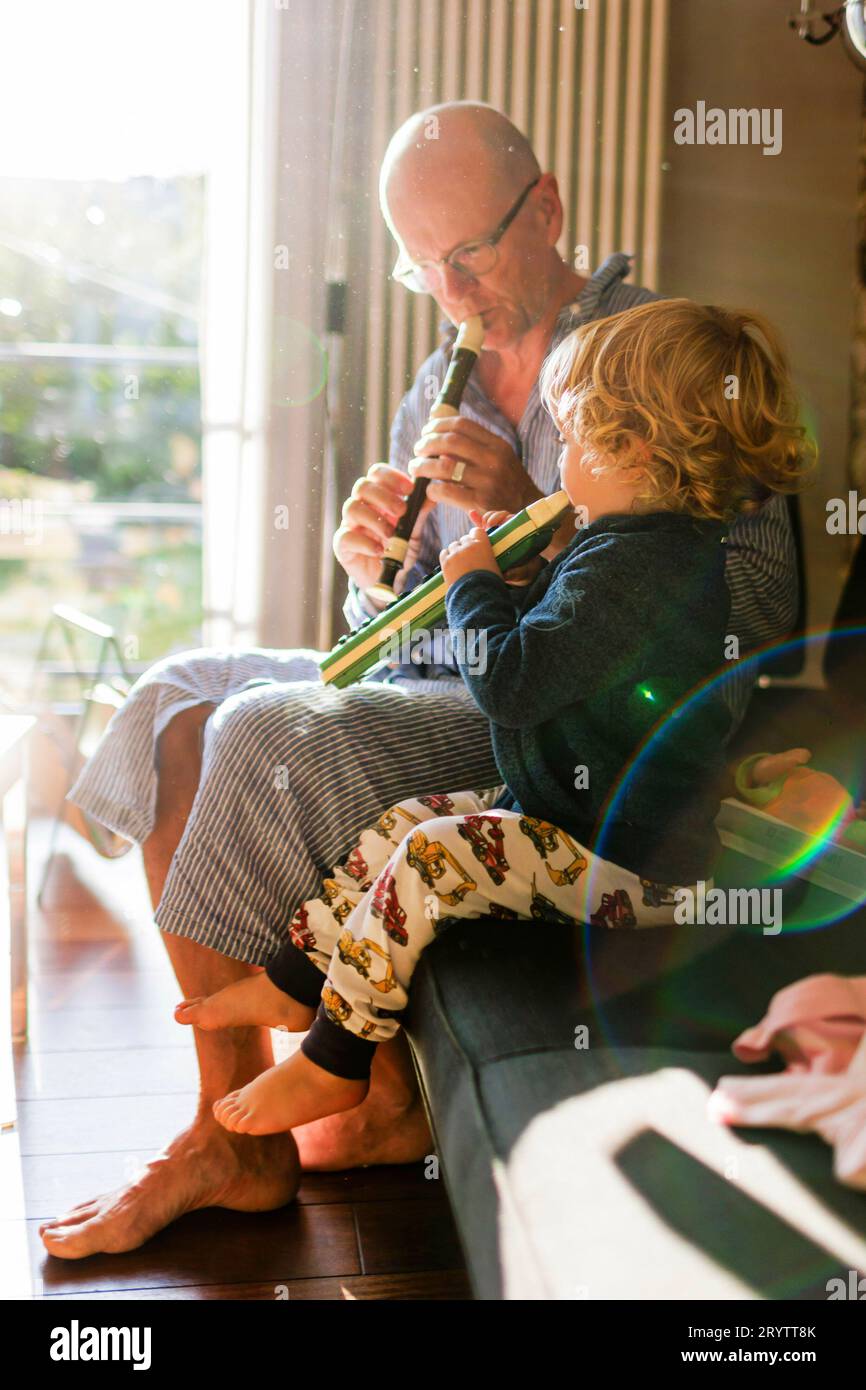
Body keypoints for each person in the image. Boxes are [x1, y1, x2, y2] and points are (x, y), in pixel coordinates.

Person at [40, 103, 798, 1260]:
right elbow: (398, 637)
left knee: (256, 729)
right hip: (440, 667)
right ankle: (244, 1124)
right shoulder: (435, 380)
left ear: (542, 211)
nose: (448, 294)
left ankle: (258, 1120)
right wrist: (367, 577)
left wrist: (518, 536)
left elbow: (746, 615)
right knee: (173, 697)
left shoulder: (657, 363)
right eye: (420, 266)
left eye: (469, 256)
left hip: (546, 716)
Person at [168, 297, 814, 1137]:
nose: (564, 460)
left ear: (633, 450)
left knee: (434, 855)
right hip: (572, 814)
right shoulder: (630, 547)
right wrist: (519, 577)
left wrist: (471, 582)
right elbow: (564, 643)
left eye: (576, 441)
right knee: (402, 821)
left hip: (632, 862)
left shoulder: (639, 567)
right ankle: (296, 980)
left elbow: (508, 683)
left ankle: (335, 1060)